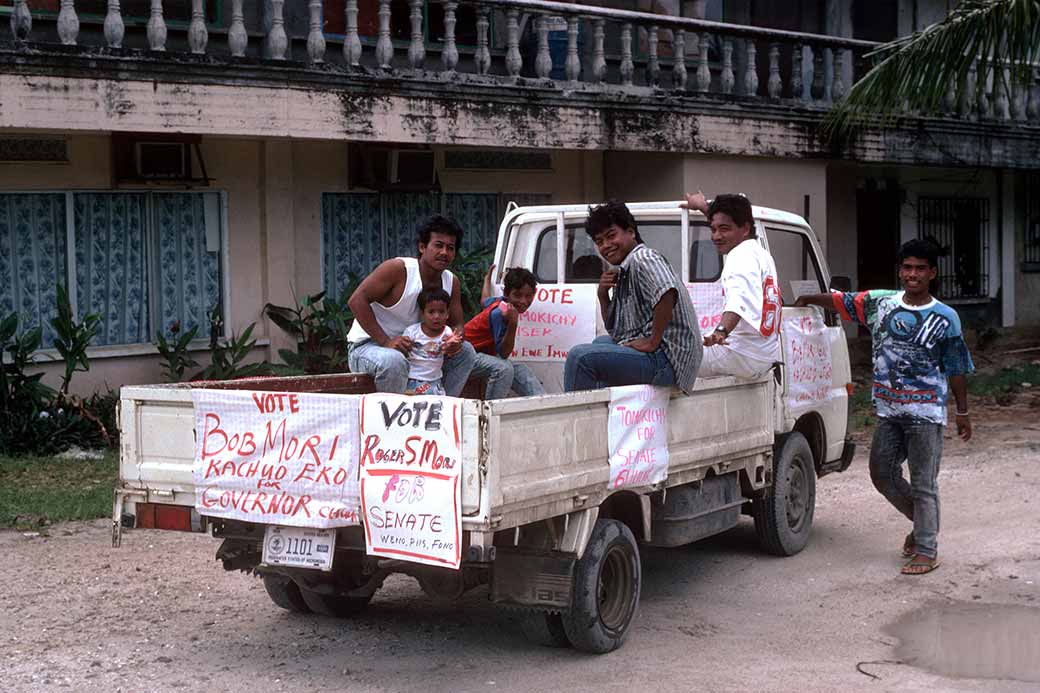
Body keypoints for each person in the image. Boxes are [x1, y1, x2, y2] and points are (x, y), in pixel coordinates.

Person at [795, 238, 974, 576]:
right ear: (900, 270)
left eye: (920, 268)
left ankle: (925, 548)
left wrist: (962, 411)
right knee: (882, 475)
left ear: (932, 273)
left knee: (924, 483)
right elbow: (843, 301)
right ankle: (924, 521)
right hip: (889, 412)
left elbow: (956, 366)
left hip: (926, 415)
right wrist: (808, 299)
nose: (913, 274)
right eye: (907, 268)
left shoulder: (945, 317)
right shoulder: (882, 304)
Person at [564, 201, 702, 394]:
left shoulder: (643, 258)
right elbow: (616, 331)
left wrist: (652, 341)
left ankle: (582, 420)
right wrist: (603, 295)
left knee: (579, 358)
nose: (606, 246)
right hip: (661, 355)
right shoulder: (625, 269)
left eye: (611, 236)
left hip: (668, 358)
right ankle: (614, 412)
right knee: (600, 344)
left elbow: (667, 292)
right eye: (599, 241)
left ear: (631, 232)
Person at [346, 215, 476, 395]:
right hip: (369, 346)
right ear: (422, 247)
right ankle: (393, 421)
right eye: (438, 245)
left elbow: (458, 324)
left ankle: (441, 407)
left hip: (416, 350)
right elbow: (356, 300)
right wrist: (385, 341)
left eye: (450, 248)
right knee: (394, 361)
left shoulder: (451, 281)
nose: (444, 252)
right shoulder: (398, 269)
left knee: (466, 352)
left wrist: (455, 340)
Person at [681, 191, 781, 378]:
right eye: (713, 229)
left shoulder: (740, 256)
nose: (716, 236)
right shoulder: (760, 253)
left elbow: (738, 298)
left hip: (740, 356)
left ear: (744, 228)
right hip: (764, 354)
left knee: (666, 356)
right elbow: (725, 222)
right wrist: (703, 206)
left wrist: (721, 330)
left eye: (724, 229)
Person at [464, 266, 546, 399]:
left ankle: (544, 404)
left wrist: (486, 280)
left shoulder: (500, 302)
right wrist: (513, 323)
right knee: (504, 369)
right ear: (507, 294)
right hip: (463, 357)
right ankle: (492, 412)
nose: (523, 301)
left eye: (529, 296)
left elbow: (484, 301)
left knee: (521, 370)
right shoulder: (500, 313)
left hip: (480, 355)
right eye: (518, 295)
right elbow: (504, 353)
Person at [402, 288, 458, 396]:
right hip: (413, 379)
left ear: (447, 314)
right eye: (431, 312)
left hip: (436, 380)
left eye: (441, 312)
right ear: (422, 314)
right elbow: (403, 353)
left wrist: (452, 343)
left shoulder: (447, 332)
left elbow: (450, 348)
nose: (436, 316)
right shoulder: (412, 332)